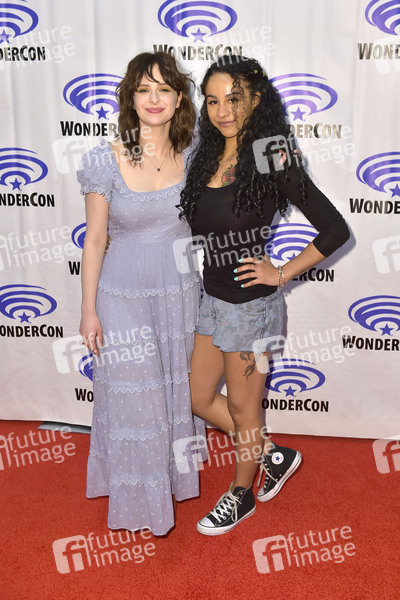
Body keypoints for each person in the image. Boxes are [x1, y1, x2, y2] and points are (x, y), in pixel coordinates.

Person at [178, 55, 350, 535]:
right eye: (213, 101)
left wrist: (282, 272)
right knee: (197, 397)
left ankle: (241, 494)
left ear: (256, 99)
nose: (222, 111)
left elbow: (335, 229)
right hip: (213, 300)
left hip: (251, 308)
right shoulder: (208, 153)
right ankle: (272, 454)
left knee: (243, 408)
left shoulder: (271, 154)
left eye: (233, 99)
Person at [77, 52, 204, 536]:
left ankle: (171, 483)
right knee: (139, 396)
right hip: (122, 294)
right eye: (144, 89)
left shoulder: (195, 152)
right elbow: (94, 240)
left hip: (177, 291)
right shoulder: (104, 159)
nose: (154, 99)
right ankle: (141, 505)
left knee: (172, 389)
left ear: (179, 99)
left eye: (164, 89)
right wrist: (88, 309)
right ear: (130, 98)